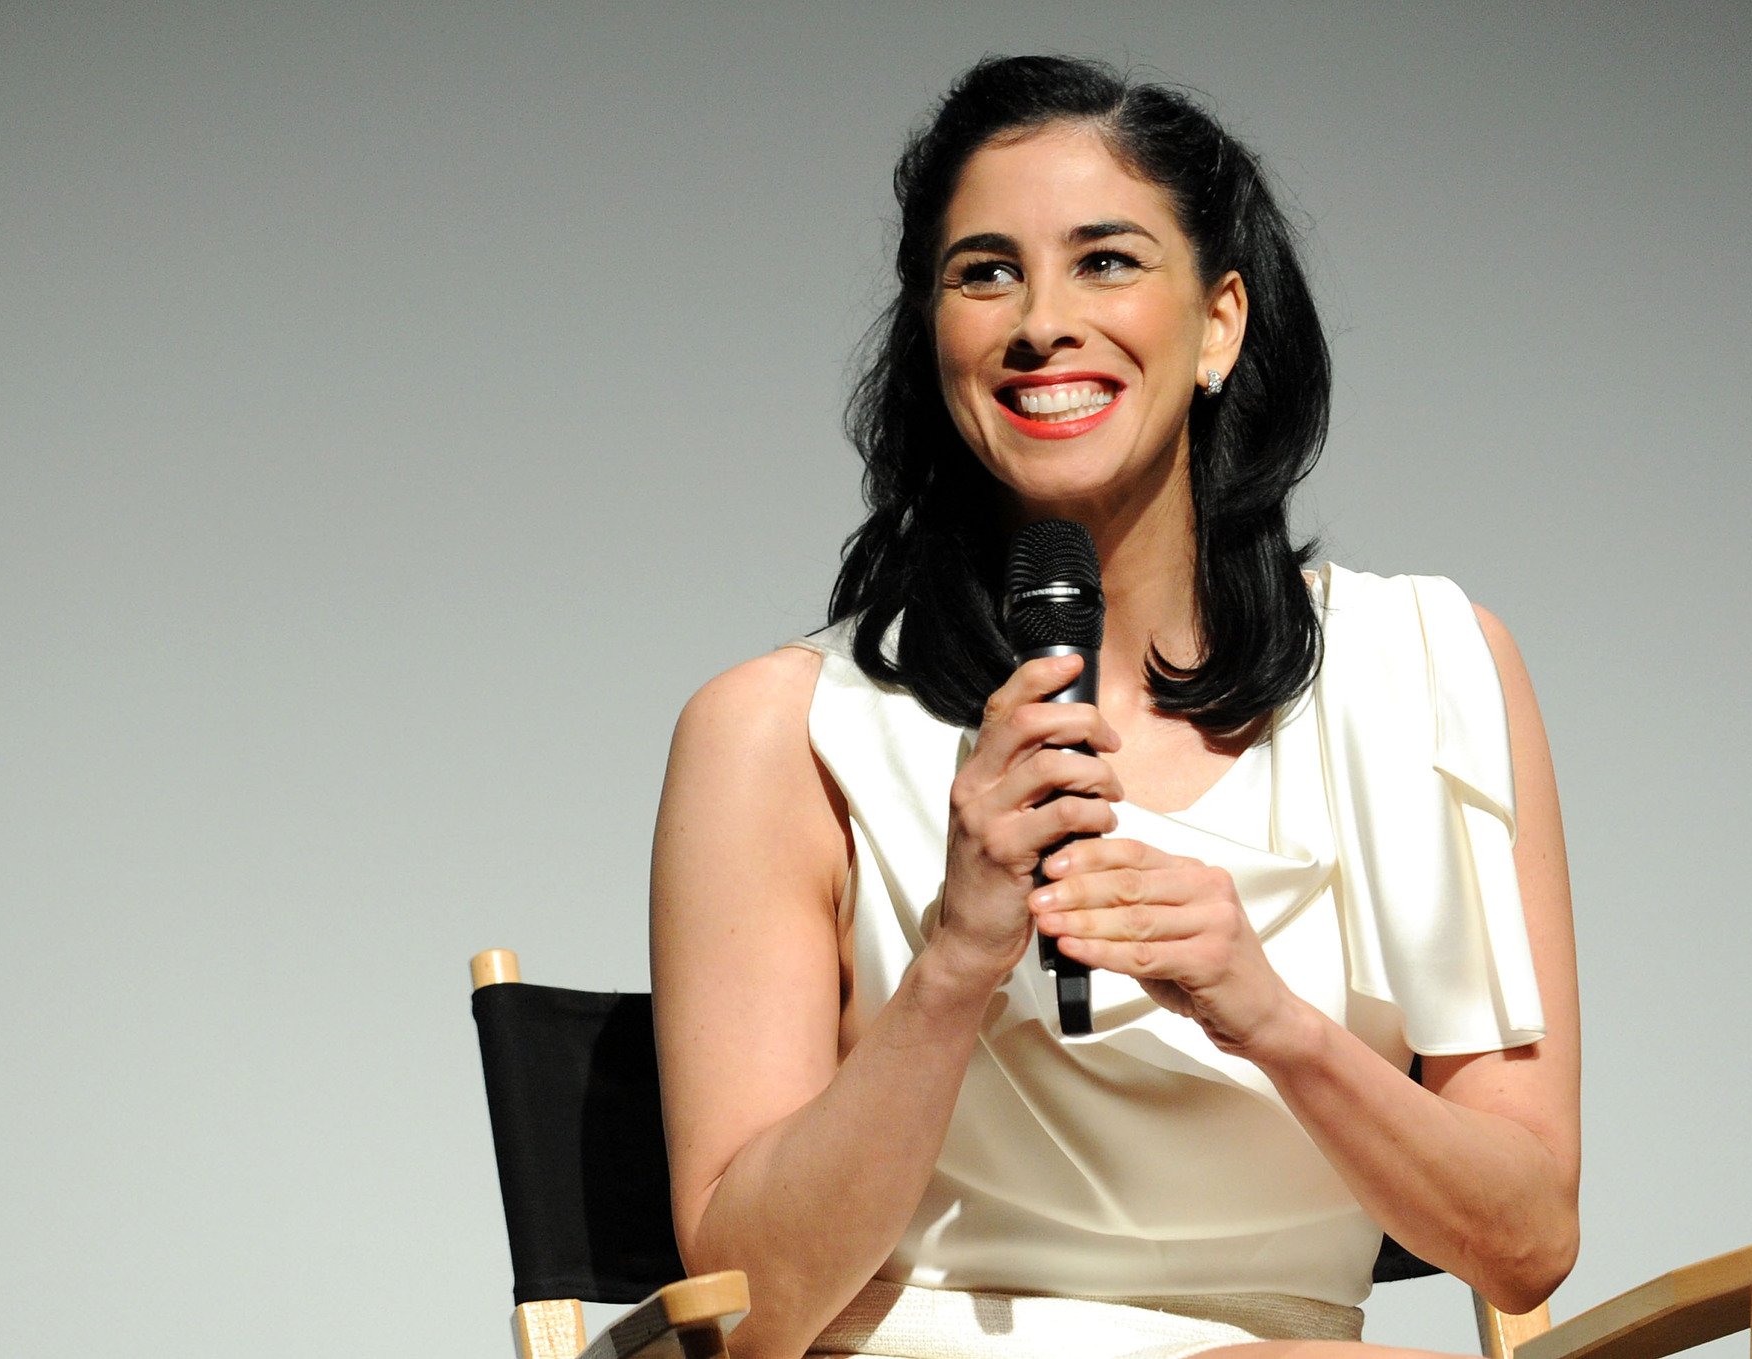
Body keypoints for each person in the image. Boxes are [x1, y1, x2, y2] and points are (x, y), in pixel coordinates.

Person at [648, 56, 1579, 1359]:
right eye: (984, 272)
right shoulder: (776, 734)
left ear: (1220, 325)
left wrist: (1273, 1020)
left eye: (1106, 262)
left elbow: (1526, 1241)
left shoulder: (1430, 671)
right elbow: (751, 1315)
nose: (1041, 321)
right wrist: (958, 956)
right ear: (934, 338)